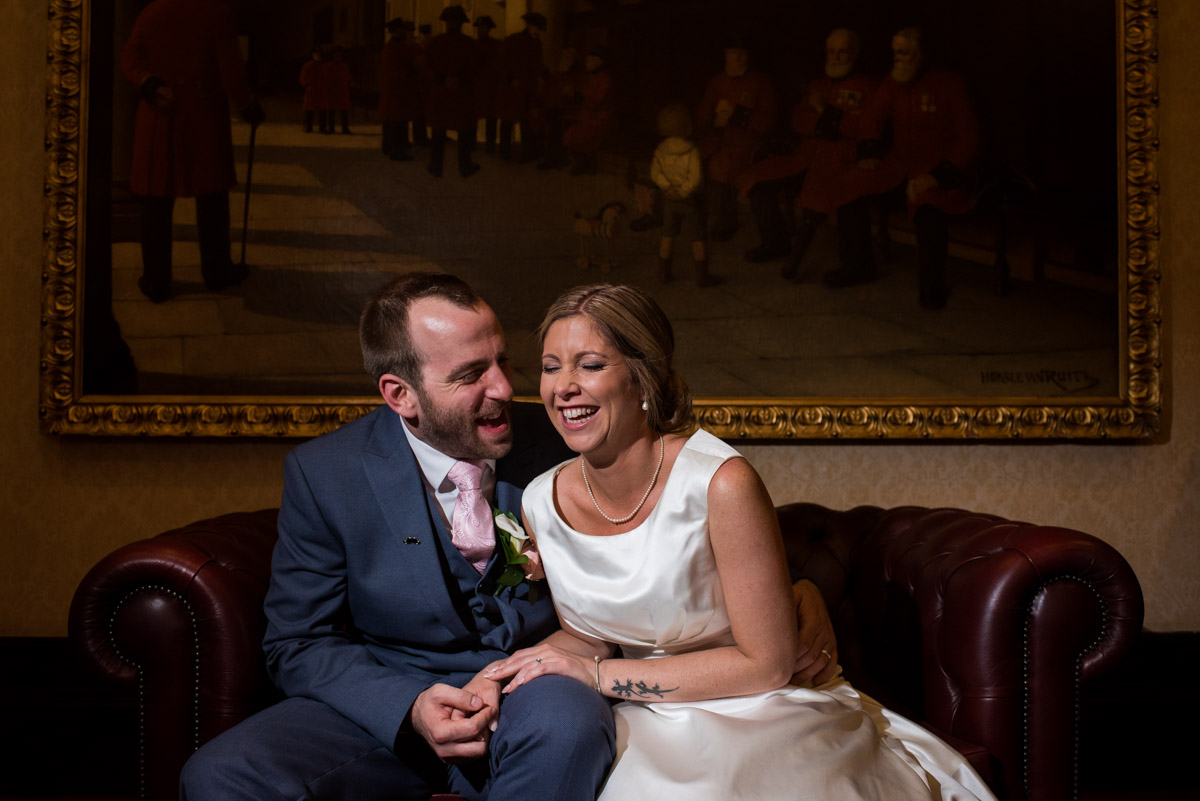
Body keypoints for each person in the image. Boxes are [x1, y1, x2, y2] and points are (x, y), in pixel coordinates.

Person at [178, 272, 839, 800]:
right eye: (471, 375)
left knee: (566, 727)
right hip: (392, 699)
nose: (507, 387)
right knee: (219, 775)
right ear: (400, 394)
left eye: (503, 360)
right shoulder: (326, 473)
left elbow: (688, 539)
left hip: (541, 686)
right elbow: (297, 642)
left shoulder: (576, 430)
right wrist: (406, 706)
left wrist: (798, 590)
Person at [486, 283, 1000, 801]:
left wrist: (598, 676)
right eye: (551, 367)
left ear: (644, 377)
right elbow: (587, 637)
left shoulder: (720, 483)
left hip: (760, 710)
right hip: (646, 716)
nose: (564, 387)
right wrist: (495, 678)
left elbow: (767, 665)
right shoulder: (541, 500)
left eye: (591, 365)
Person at [121, 0, 264, 304]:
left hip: (159, 117)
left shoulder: (151, 12)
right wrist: (247, 105)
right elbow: (230, 70)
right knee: (212, 199)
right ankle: (217, 273)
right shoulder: (216, 11)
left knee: (155, 202)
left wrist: (148, 82)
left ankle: (156, 281)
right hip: (204, 116)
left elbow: (130, 56)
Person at [826, 27, 979, 308]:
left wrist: (935, 177)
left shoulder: (949, 84)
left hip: (937, 171)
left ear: (921, 54)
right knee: (851, 183)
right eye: (895, 52)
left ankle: (931, 287)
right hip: (898, 165)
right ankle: (858, 266)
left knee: (928, 204)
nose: (898, 58)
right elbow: (871, 118)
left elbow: (968, 138)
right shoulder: (892, 82)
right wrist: (869, 151)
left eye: (904, 53)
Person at [733, 29, 875, 278]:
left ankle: (815, 263)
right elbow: (798, 120)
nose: (836, 57)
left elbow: (861, 128)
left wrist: (823, 111)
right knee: (757, 179)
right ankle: (776, 242)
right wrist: (827, 123)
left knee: (822, 198)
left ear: (854, 54)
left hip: (840, 163)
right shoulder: (818, 85)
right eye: (831, 51)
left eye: (842, 52)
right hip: (804, 159)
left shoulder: (867, 88)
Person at [694, 37, 775, 242]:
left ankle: (726, 222)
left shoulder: (760, 82)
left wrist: (737, 114)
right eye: (732, 52)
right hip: (718, 140)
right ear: (726, 55)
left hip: (747, 144)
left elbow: (768, 120)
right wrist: (714, 119)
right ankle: (694, 217)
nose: (737, 58)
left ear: (748, 56)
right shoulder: (717, 82)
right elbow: (702, 113)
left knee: (722, 165)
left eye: (742, 53)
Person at [649, 102, 714, 287]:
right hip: (689, 200)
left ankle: (663, 273)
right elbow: (696, 177)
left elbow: (655, 173)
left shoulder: (661, 150)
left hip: (669, 199)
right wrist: (683, 191)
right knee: (698, 237)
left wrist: (668, 188)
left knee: (667, 235)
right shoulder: (691, 151)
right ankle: (702, 277)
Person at [424, 5, 481, 179]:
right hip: (461, 92)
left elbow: (427, 67)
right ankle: (465, 166)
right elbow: (475, 68)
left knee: (438, 130)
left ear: (446, 22)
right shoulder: (469, 43)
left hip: (441, 91)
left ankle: (436, 166)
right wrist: (459, 80)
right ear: (461, 23)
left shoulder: (435, 43)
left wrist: (442, 79)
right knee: (464, 131)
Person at [497, 12, 547, 162]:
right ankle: (504, 152)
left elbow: (537, 64)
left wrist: (544, 74)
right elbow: (502, 61)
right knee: (508, 119)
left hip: (529, 87)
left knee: (527, 120)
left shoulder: (537, 44)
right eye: (536, 27)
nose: (538, 31)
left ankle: (527, 153)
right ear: (529, 25)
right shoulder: (513, 40)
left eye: (540, 29)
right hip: (513, 88)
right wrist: (511, 78)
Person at [561, 45, 615, 176]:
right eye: (587, 60)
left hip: (599, 119)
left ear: (599, 61)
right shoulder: (590, 76)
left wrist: (577, 96)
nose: (588, 63)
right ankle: (583, 161)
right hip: (586, 116)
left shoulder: (605, 78)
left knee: (577, 134)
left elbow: (596, 100)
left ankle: (585, 162)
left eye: (591, 60)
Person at [379, 18, 422, 161]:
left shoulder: (392, 47)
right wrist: (411, 71)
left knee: (393, 119)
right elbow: (397, 69)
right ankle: (396, 150)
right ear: (398, 30)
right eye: (403, 29)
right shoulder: (393, 48)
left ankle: (389, 146)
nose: (406, 31)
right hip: (397, 89)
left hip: (395, 89)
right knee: (397, 120)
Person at [471, 15, 503, 155]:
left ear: (489, 29)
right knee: (473, 115)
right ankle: (471, 143)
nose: (480, 30)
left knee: (491, 116)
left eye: (483, 27)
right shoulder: (473, 45)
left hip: (491, 86)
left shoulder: (496, 45)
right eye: (479, 27)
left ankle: (490, 145)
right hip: (476, 86)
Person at [299, 45, 330, 134]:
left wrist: (328, 87)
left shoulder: (324, 65)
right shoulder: (308, 65)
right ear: (313, 55)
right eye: (316, 54)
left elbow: (328, 77)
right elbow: (303, 77)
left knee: (322, 110)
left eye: (319, 54)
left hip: (322, 90)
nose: (318, 55)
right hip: (311, 90)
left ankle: (322, 127)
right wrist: (306, 85)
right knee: (310, 110)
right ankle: (308, 127)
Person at [328, 45, 354, 135]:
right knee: (331, 110)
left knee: (344, 110)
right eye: (336, 54)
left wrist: (349, 84)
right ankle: (331, 128)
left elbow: (348, 77)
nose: (337, 56)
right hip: (333, 91)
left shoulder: (344, 66)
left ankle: (345, 128)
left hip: (343, 91)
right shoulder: (330, 66)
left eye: (339, 54)